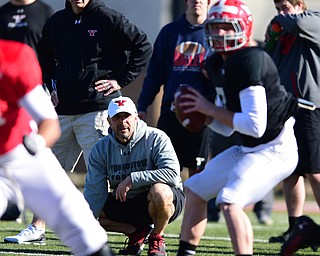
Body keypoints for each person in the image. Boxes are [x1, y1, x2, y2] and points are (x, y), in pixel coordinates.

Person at [4, 0, 152, 245]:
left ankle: (122, 228)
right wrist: (50, 85)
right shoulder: (57, 21)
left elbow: (142, 45)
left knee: (100, 173)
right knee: (45, 167)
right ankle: (36, 228)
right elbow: (44, 56)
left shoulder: (107, 17)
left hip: (95, 110)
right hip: (62, 111)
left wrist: (120, 80)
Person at [176, 0, 300, 255]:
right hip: (250, 148)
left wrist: (209, 109)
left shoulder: (250, 59)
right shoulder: (216, 63)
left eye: (226, 27)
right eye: (215, 27)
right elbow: (229, 128)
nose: (220, 33)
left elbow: (254, 126)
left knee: (230, 199)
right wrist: (206, 117)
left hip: (275, 148)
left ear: (243, 28)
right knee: (195, 188)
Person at [0, 39, 115, 256]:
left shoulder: (12, 57)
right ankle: (9, 203)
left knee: (85, 232)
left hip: (22, 156)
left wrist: (37, 143)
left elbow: (49, 124)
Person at [83, 96, 185, 256]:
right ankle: (137, 232)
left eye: (126, 116)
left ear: (136, 118)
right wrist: (85, 226)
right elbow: (94, 192)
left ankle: (157, 237)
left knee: (160, 192)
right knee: (84, 213)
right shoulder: (101, 149)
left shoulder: (156, 138)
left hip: (162, 200)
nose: (122, 122)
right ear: (109, 121)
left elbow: (172, 174)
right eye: (117, 117)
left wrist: (133, 179)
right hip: (128, 200)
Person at [137, 0, 214, 178]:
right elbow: (154, 75)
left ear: (209, 2)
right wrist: (142, 105)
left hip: (201, 116)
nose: (197, 2)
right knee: (167, 174)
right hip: (172, 113)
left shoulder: (214, 33)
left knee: (198, 177)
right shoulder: (169, 32)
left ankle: (196, 207)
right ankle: (172, 206)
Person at [265, 0, 320, 245]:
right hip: (286, 109)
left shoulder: (313, 19)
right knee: (291, 172)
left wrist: (278, 21)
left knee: (315, 171)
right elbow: (267, 54)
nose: (281, 12)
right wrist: (272, 34)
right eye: (277, 9)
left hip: (310, 108)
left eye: (285, 6)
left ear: (299, 4)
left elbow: (297, 21)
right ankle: (295, 228)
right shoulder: (284, 29)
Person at [0, 0, 54, 222]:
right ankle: (10, 200)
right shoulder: (3, 13)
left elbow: (53, 52)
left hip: (34, 89)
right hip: (6, 93)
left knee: (33, 147)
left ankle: (33, 216)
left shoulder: (44, 12)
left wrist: (53, 86)